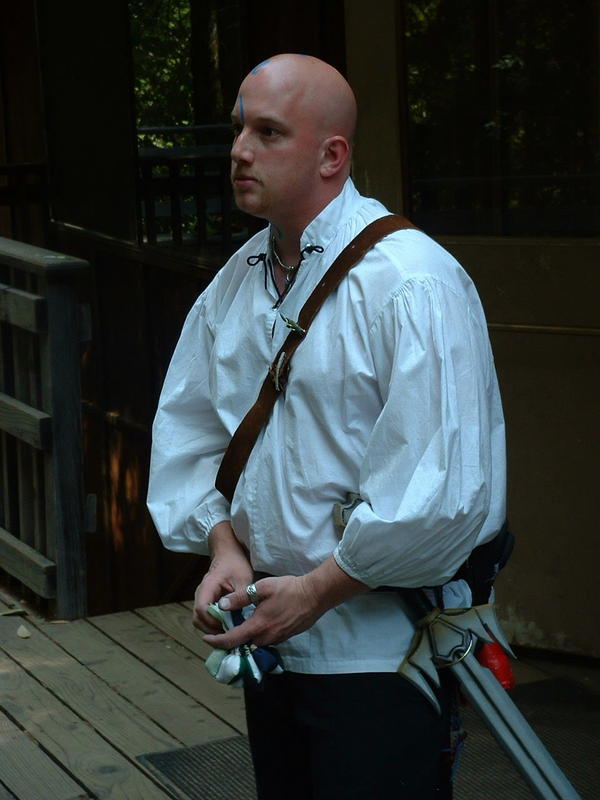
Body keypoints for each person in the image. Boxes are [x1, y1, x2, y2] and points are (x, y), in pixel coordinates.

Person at [148, 53, 506, 799]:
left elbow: (442, 493)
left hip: (382, 658)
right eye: (239, 128)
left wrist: (317, 591)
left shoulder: (411, 283)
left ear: (332, 156)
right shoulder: (236, 282)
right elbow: (190, 431)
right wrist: (223, 545)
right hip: (273, 648)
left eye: (269, 132)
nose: (240, 150)